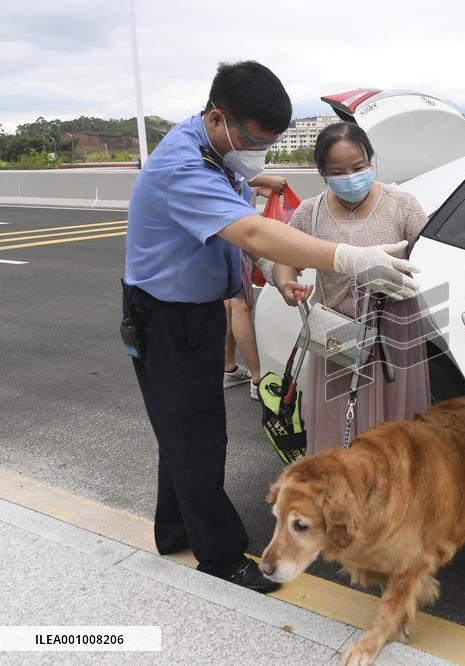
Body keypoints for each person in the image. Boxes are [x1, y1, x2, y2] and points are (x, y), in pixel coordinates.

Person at [122, 61, 418, 593]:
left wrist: (267, 244)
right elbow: (255, 233)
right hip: (167, 315)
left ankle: (175, 530)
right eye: (253, 141)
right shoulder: (182, 167)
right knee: (197, 436)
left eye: (268, 144)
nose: (257, 153)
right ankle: (220, 556)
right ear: (218, 118)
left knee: (181, 430)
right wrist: (350, 257)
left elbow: (241, 218)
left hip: (192, 310)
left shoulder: (215, 152)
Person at [272, 123, 431, 456]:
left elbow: (432, 256)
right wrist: (287, 284)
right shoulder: (310, 212)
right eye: (338, 172)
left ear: (370, 161)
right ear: (323, 173)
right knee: (337, 423)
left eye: (358, 167)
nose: (351, 177)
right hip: (337, 337)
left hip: (393, 334)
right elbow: (285, 259)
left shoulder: (402, 205)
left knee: (395, 428)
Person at [223, 174, 288, 400]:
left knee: (230, 304)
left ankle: (228, 367)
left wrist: (257, 188)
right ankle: (258, 378)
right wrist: (264, 180)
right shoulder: (225, 166)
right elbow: (228, 175)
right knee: (241, 305)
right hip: (235, 243)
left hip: (223, 247)